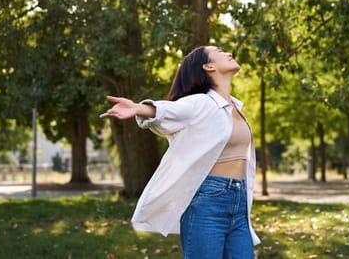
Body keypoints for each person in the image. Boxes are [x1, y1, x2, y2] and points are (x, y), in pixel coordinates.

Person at [99, 45, 259, 258]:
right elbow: (169, 111)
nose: (229, 52)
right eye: (219, 51)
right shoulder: (200, 102)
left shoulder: (235, 107)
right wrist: (140, 108)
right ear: (208, 66)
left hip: (239, 202)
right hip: (208, 201)